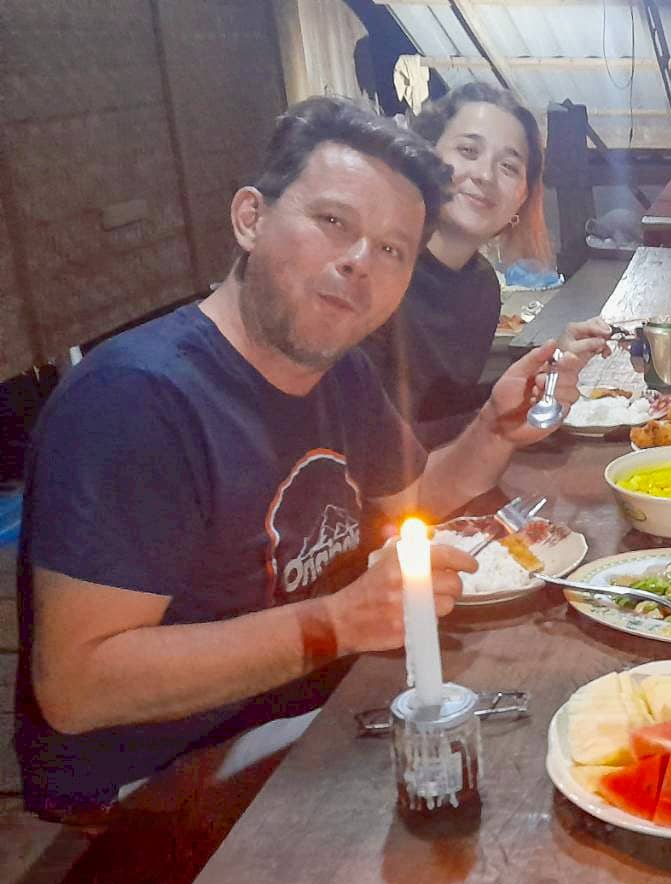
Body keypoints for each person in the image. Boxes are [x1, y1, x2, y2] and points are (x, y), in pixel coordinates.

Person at [13, 97, 601, 822]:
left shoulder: (340, 372)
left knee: (559, 741)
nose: (360, 262)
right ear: (251, 218)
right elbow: (78, 687)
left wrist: (496, 427)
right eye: (333, 223)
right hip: (159, 773)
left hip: (310, 704)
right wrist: (340, 622)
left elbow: (415, 503)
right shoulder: (135, 401)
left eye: (391, 250)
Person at [358, 82, 607, 441]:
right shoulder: (373, 268)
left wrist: (543, 372)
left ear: (522, 199)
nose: (485, 175)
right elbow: (366, 439)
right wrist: (498, 420)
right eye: (468, 150)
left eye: (508, 167)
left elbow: (443, 407)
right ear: (425, 156)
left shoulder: (481, 286)